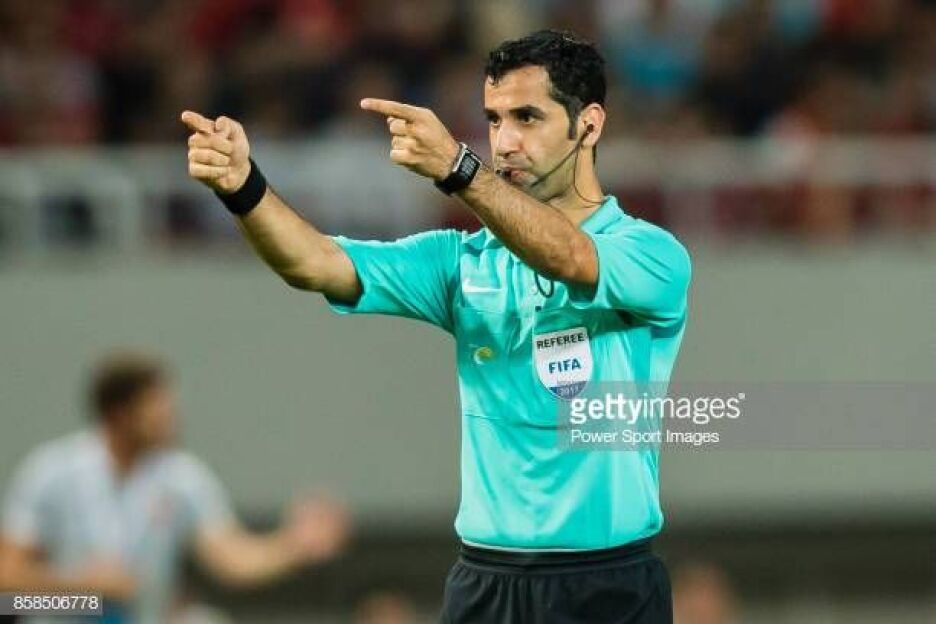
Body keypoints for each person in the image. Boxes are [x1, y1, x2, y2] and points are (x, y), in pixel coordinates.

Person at [182, 29, 691, 624]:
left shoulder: (651, 255)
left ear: (590, 125)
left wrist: (458, 168)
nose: (505, 141)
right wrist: (245, 189)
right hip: (485, 583)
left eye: (528, 117)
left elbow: (571, 257)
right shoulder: (462, 262)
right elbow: (316, 264)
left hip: (605, 584)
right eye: (494, 120)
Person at [0, 351, 350, 623]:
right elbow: (7, 589)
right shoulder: (50, 472)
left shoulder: (182, 478)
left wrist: (294, 545)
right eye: (156, 405)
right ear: (120, 414)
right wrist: (83, 594)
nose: (170, 415)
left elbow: (231, 558)